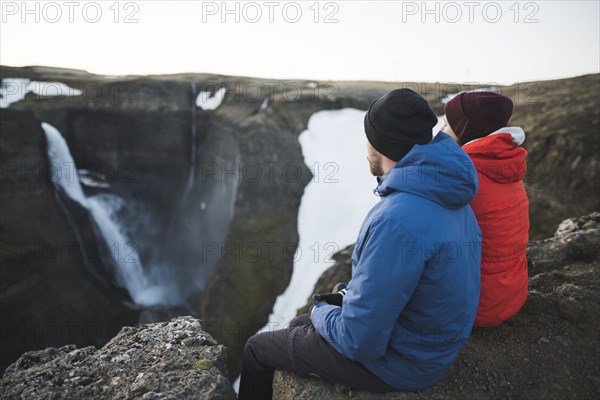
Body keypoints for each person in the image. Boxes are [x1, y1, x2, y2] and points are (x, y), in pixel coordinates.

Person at [238, 89, 482, 399]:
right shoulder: (449, 192)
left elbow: (358, 341)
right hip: (430, 347)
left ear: (380, 144)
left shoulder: (396, 220)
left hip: (401, 365)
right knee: (302, 322)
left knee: (257, 349)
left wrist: (322, 310)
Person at [441, 91, 530, 327]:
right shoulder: (502, 163)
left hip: (477, 306)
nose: (440, 129)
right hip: (510, 295)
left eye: (447, 124)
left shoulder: (464, 174)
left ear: (464, 130)